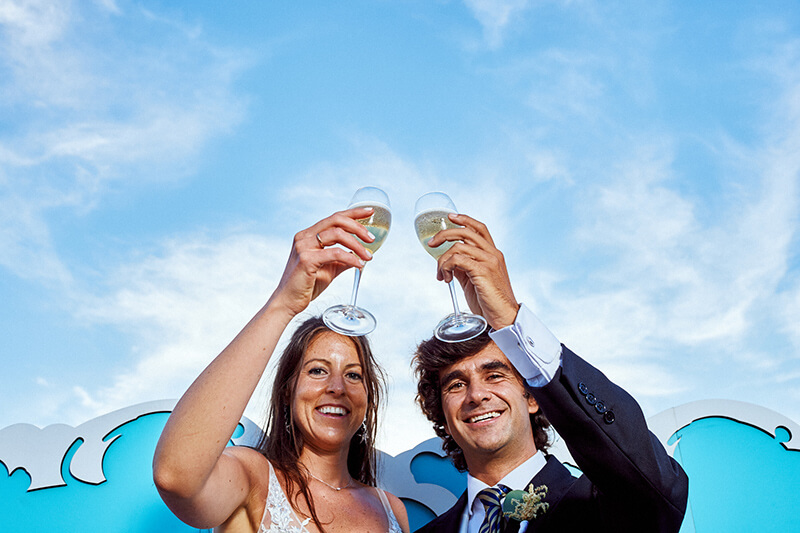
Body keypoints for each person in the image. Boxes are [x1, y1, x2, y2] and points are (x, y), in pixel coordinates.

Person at [412, 213, 688, 533]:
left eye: (495, 375)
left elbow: (657, 484)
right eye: (456, 384)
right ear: (442, 414)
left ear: (532, 396)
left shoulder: (604, 504)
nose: (477, 395)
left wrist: (510, 320)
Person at [152, 208, 410, 533]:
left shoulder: (392, 510)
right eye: (317, 370)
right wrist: (283, 303)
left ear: (369, 399)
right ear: (288, 389)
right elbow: (176, 477)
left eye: (354, 375)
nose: (336, 387)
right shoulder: (253, 478)